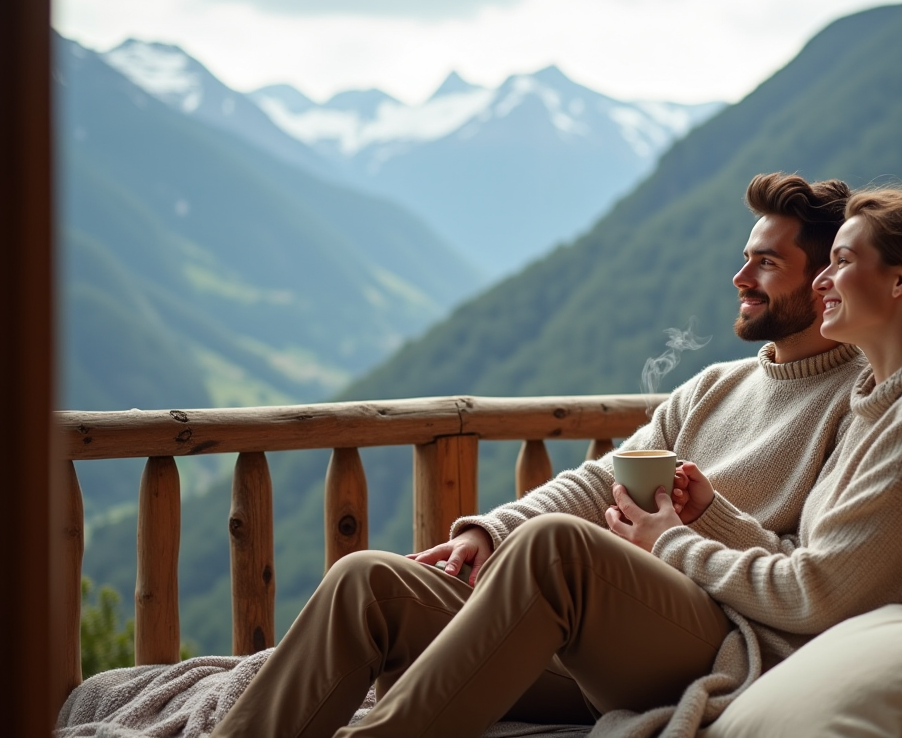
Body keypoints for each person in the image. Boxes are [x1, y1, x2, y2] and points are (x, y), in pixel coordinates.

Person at [211, 171, 866, 738]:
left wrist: (704, 518)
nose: (740, 276)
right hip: (608, 642)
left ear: (824, 283)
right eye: (745, 257)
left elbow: (813, 574)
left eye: (766, 264)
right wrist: (492, 530)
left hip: (723, 644)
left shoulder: (857, 403)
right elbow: (599, 482)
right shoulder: (715, 389)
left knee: (557, 549)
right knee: (367, 582)